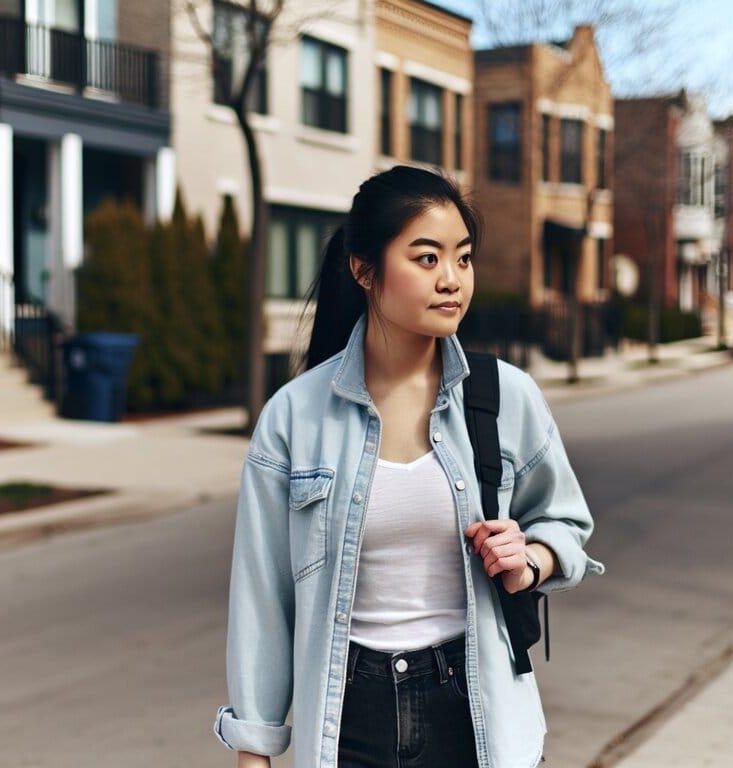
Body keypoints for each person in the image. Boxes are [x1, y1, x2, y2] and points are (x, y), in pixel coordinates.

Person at [213, 166, 605, 768]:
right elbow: (264, 595)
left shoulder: (505, 397)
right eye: (427, 259)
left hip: (473, 707)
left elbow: (566, 525)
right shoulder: (295, 417)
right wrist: (255, 747)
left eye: (464, 258)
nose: (452, 280)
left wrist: (528, 558)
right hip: (348, 715)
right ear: (364, 270)